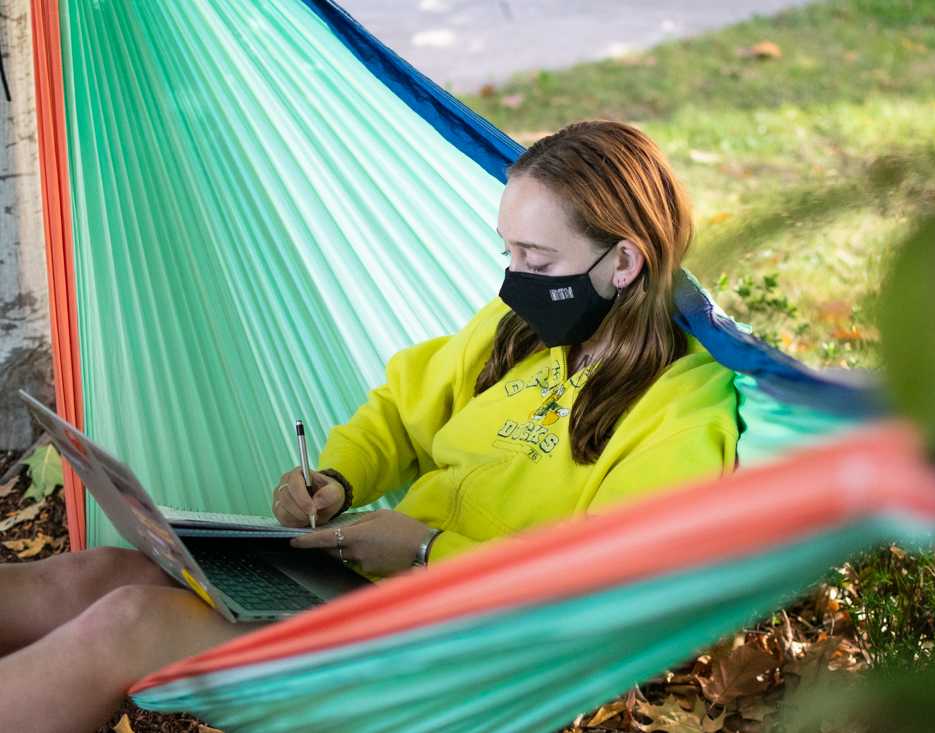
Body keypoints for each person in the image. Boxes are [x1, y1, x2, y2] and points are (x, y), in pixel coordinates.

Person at [0, 119, 740, 732]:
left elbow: (603, 594)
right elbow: (401, 411)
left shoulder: (681, 411)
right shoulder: (515, 329)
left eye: (535, 257)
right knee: (93, 574)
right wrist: (342, 475)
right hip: (366, 591)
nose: (511, 278)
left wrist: (426, 551)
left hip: (456, 654)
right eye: (506, 250)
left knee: (128, 621)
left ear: (623, 263)